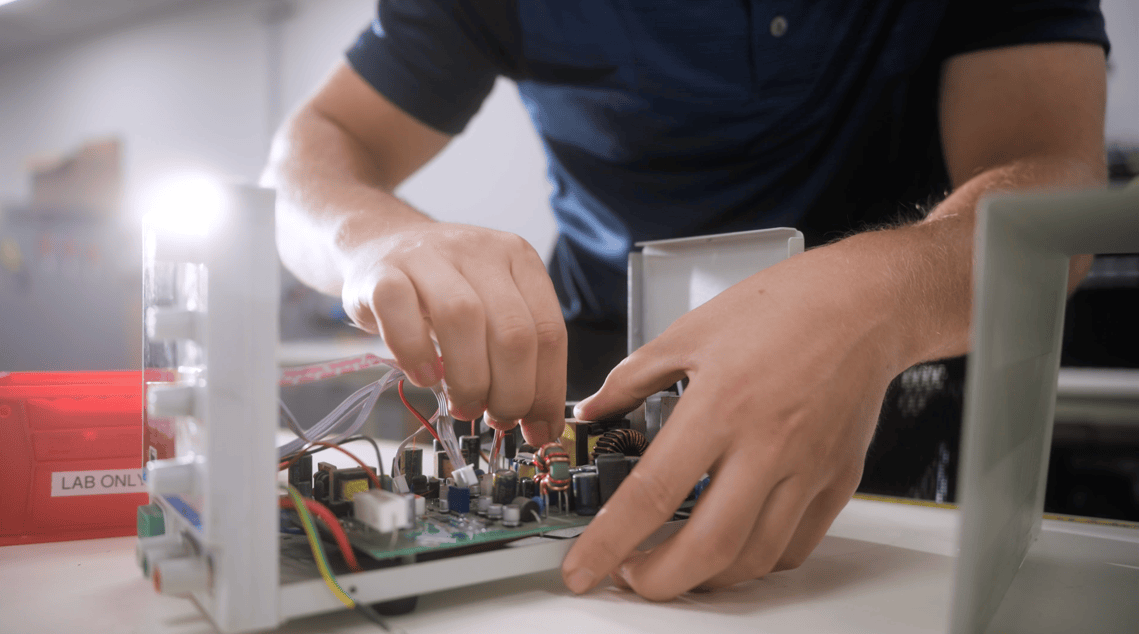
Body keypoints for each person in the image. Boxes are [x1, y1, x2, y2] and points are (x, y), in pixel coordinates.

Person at [263, 0, 1109, 601]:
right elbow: (311, 156)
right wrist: (374, 240)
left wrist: (880, 297)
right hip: (597, 385)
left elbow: (1053, 188)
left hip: (894, 376)